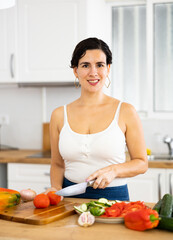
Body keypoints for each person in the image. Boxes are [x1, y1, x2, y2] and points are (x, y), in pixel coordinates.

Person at [48, 37, 148, 201]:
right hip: (70, 198)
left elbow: (142, 163)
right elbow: (57, 165)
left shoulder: (125, 111)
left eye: (100, 65)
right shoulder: (59, 114)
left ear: (108, 68)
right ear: (76, 70)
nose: (93, 72)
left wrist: (114, 170)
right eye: (85, 65)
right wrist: (55, 190)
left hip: (113, 199)